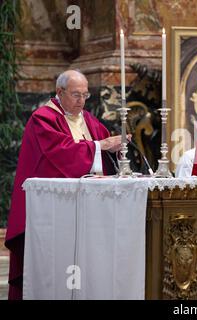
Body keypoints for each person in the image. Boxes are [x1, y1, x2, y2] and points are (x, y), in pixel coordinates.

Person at [6, 70, 125, 300]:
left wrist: (118, 150)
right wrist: (101, 146)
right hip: (55, 211)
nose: (81, 101)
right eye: (75, 95)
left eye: (85, 95)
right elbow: (59, 154)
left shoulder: (89, 121)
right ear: (59, 93)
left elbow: (105, 155)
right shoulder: (43, 119)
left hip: (89, 209)